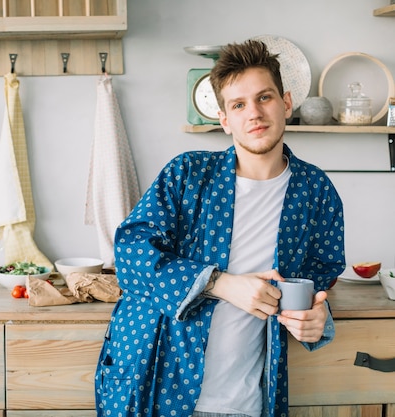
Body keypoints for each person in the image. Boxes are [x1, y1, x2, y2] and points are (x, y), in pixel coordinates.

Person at [94, 39, 345, 417]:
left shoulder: (316, 191)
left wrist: (315, 320)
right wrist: (221, 283)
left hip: (246, 400)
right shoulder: (187, 174)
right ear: (225, 120)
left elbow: (317, 280)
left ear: (287, 103)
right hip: (154, 382)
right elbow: (131, 253)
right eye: (239, 105)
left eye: (265, 97)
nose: (254, 113)